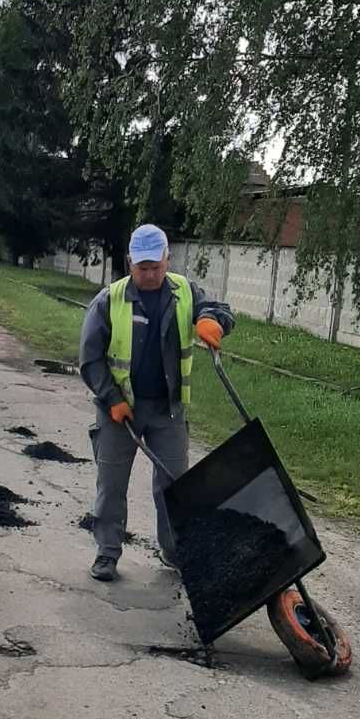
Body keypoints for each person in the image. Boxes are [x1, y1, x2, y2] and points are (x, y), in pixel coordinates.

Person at [78, 224, 234, 582]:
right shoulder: (109, 300)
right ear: (130, 262)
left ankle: (176, 550)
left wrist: (213, 321)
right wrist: (113, 400)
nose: (149, 274)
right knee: (112, 484)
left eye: (156, 267)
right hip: (121, 413)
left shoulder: (184, 291)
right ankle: (107, 553)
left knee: (174, 485)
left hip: (168, 410)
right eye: (142, 267)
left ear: (168, 259)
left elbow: (219, 308)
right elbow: (90, 359)